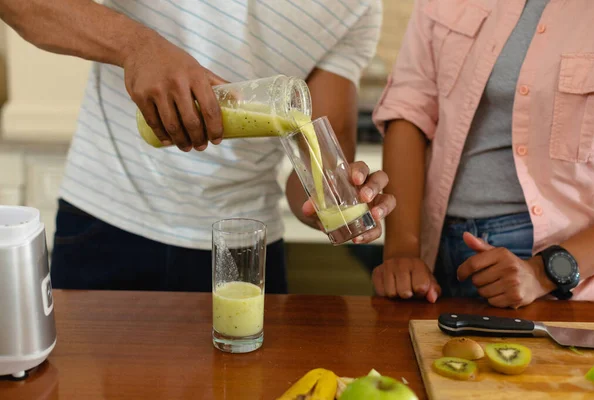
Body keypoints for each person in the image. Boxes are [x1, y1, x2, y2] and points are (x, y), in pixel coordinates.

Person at [0, 0, 396, 294]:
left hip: (244, 249)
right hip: (106, 223)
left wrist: (339, 201)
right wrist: (136, 45)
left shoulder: (356, 7)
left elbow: (317, 161)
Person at [371, 0, 594, 308]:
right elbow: (409, 111)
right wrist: (402, 252)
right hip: (434, 250)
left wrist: (546, 272)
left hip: (562, 274)